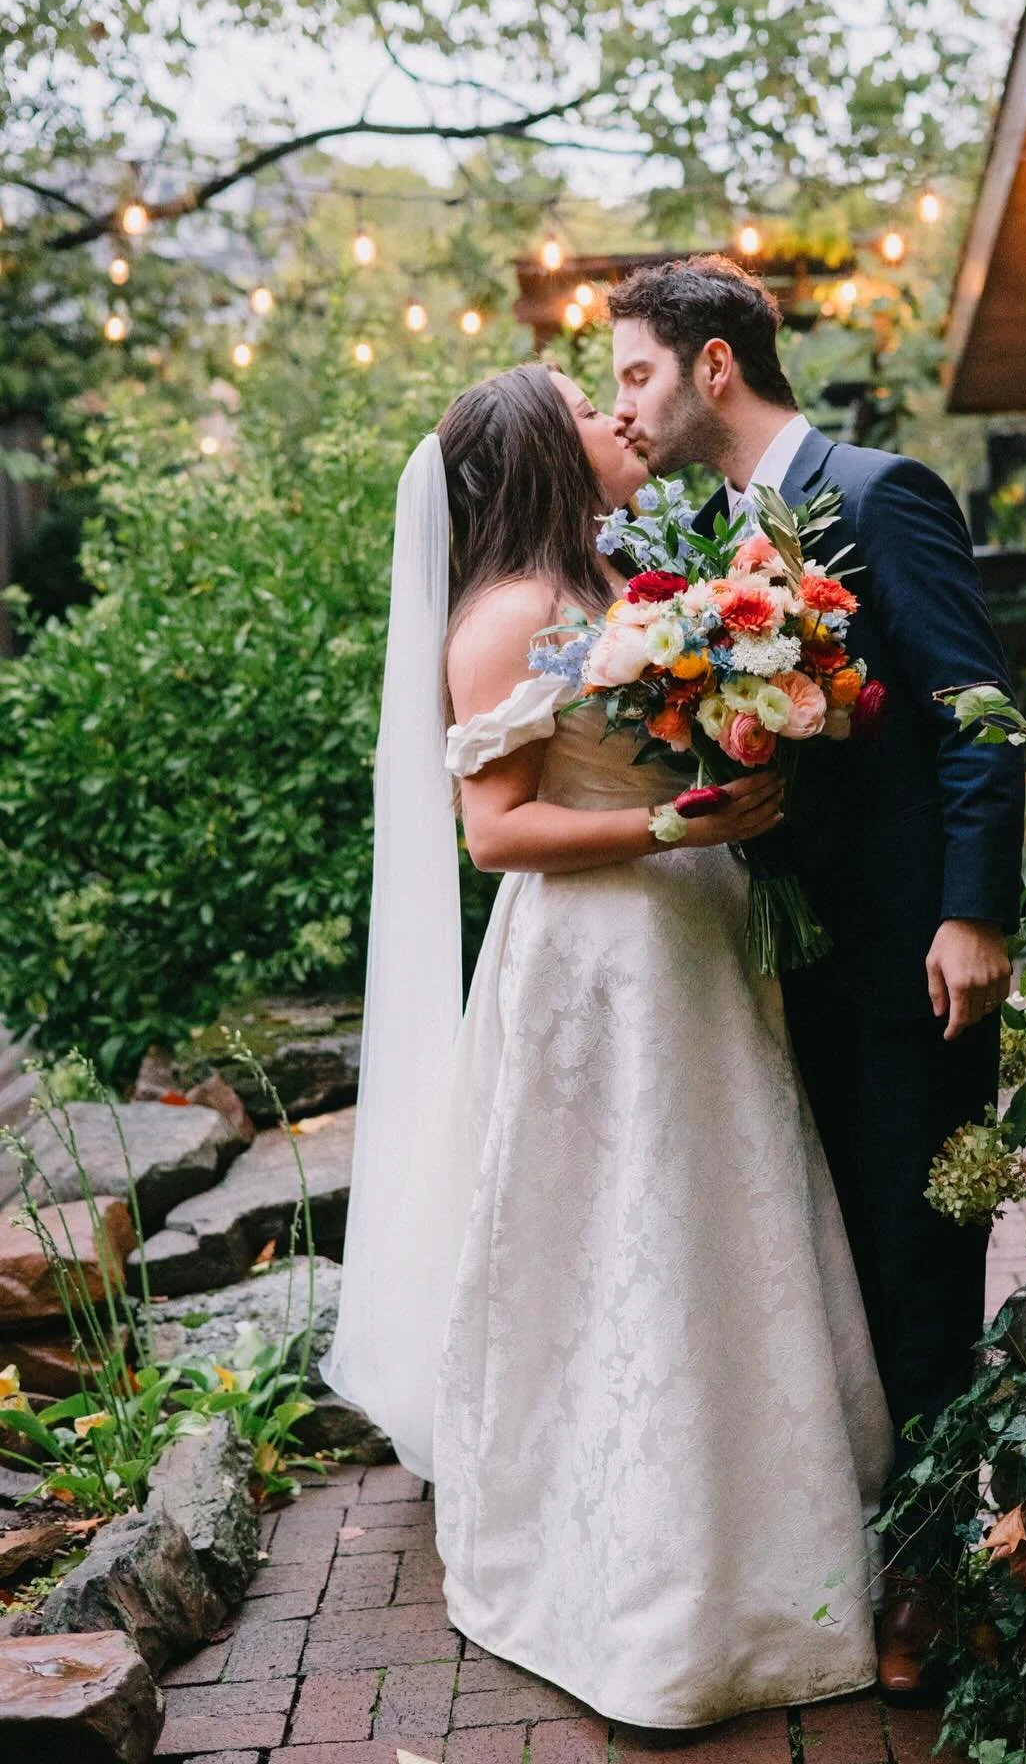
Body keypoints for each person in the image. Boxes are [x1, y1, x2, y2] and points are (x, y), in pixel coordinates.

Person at [323, 363, 894, 1731]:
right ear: (541, 448)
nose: (617, 421)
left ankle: (770, 1546)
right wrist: (670, 830)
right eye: (590, 405)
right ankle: (644, 1594)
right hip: (600, 973)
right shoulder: (510, 615)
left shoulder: (630, 588)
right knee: (623, 1252)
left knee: (716, 1235)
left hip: (693, 951)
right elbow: (496, 835)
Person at [609, 256, 1026, 1696]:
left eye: (639, 373)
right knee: (834, 1261)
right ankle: (866, 1547)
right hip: (781, 953)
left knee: (919, 1265)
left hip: (915, 954)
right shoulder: (707, 541)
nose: (627, 403)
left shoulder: (879, 489)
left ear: (716, 365)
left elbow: (979, 714)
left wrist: (976, 913)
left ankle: (935, 1582)